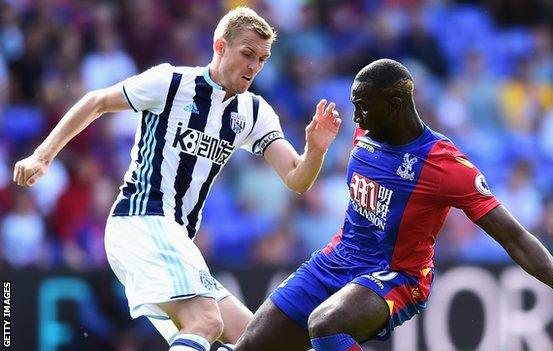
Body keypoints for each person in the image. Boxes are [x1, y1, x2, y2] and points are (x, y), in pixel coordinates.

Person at [13, 7, 341, 351]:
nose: (254, 67)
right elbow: (97, 101)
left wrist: (315, 150)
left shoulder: (254, 112)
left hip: (174, 237)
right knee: (206, 320)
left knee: (257, 341)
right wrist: (42, 155)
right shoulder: (171, 83)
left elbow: (296, 178)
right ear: (219, 46)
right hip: (141, 219)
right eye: (247, 54)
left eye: (261, 59)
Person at [235, 59, 553, 351]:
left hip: (396, 276)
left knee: (327, 324)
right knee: (250, 346)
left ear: (396, 105)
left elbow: (514, 236)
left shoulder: (445, 165)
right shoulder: (366, 132)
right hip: (335, 260)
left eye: (363, 107)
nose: (357, 117)